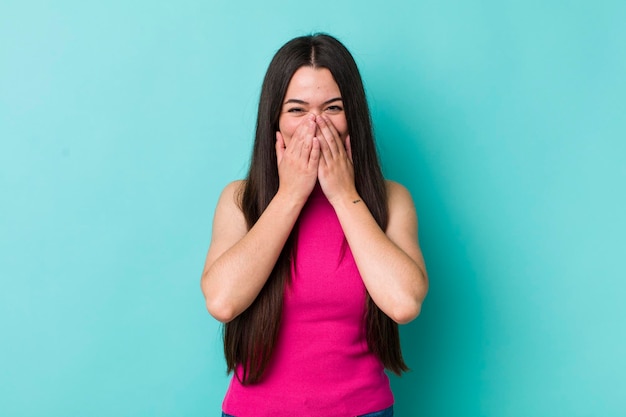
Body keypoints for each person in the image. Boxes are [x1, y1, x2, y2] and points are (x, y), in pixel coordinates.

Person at [200, 33, 428, 417]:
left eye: (332, 108)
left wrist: (342, 194)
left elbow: (404, 304)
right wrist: (290, 195)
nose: (316, 125)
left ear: (351, 117)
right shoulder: (240, 200)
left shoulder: (392, 200)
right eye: (297, 110)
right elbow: (222, 301)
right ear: (275, 120)